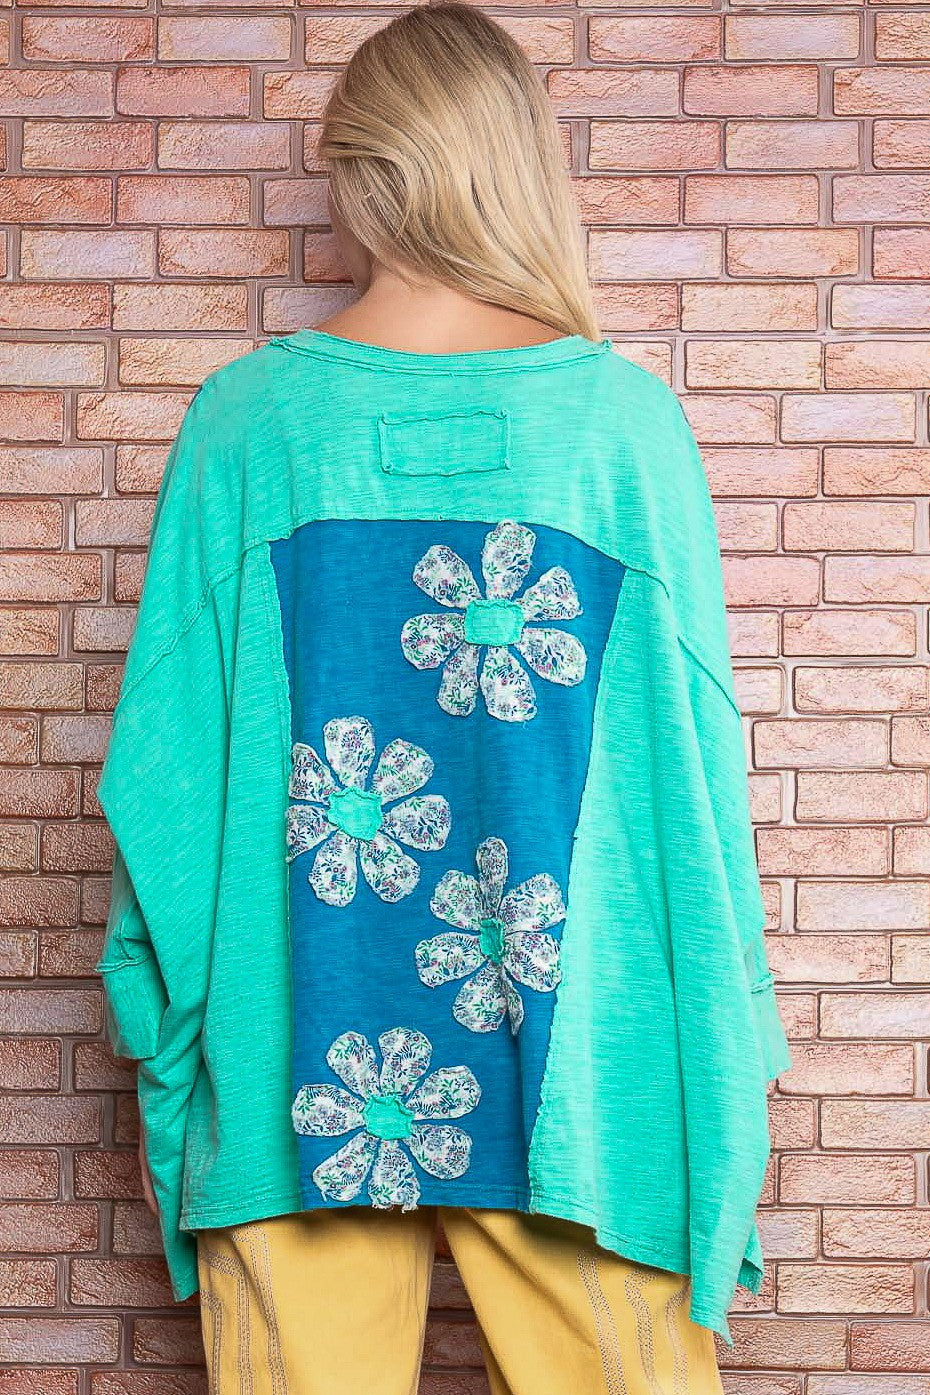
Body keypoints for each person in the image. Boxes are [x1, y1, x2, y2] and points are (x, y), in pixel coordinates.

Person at [95, 4, 792, 1392]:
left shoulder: (247, 424)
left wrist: (164, 1036)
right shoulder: (619, 427)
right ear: (520, 167)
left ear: (357, 173)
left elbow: (161, 781)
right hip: (587, 1074)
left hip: (290, 1042)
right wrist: (727, 1053)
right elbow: (700, 797)